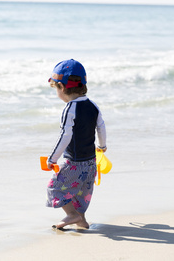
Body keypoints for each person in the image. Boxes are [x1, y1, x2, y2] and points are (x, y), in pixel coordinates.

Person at [45, 59, 107, 230]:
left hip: (74, 163)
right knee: (81, 193)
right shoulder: (93, 105)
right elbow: (101, 127)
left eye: (55, 88)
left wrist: (52, 158)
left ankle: (71, 215)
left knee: (54, 188)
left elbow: (65, 136)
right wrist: (102, 146)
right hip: (91, 163)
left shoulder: (70, 108)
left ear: (62, 88)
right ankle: (81, 220)